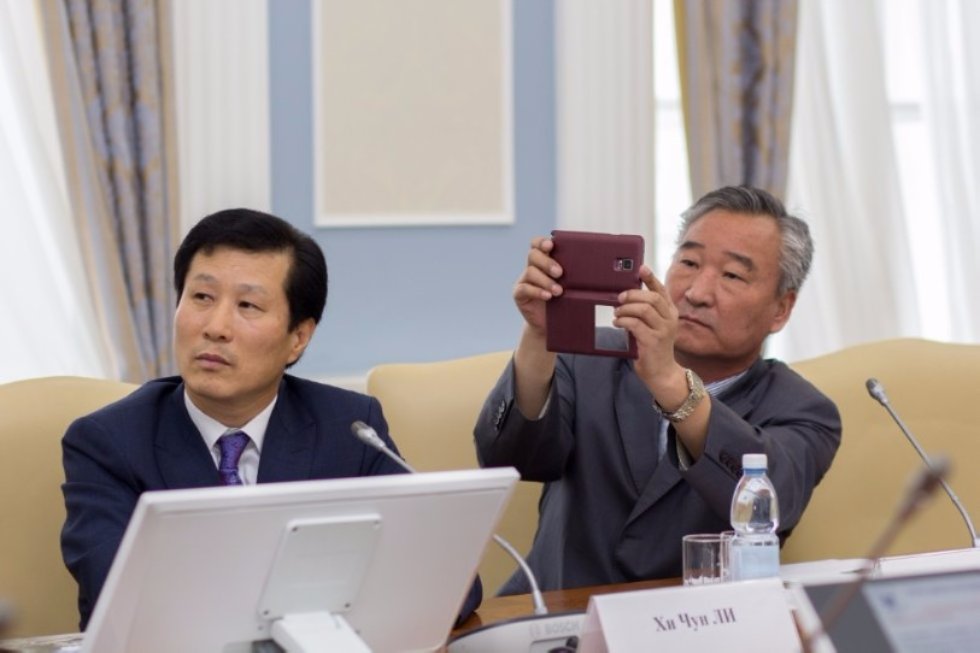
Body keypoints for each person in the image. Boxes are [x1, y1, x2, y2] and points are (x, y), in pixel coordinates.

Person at [60, 208, 480, 629]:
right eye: (202, 297)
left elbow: (450, 579)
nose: (216, 327)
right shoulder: (109, 443)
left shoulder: (348, 428)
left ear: (298, 338)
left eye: (248, 305)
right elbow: (120, 603)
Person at [475, 186, 842, 594]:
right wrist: (539, 336)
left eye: (732, 275)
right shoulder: (587, 358)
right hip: (559, 614)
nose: (696, 293)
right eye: (689, 262)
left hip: (699, 622)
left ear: (781, 309)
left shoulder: (804, 409)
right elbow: (508, 459)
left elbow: (773, 503)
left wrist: (670, 381)